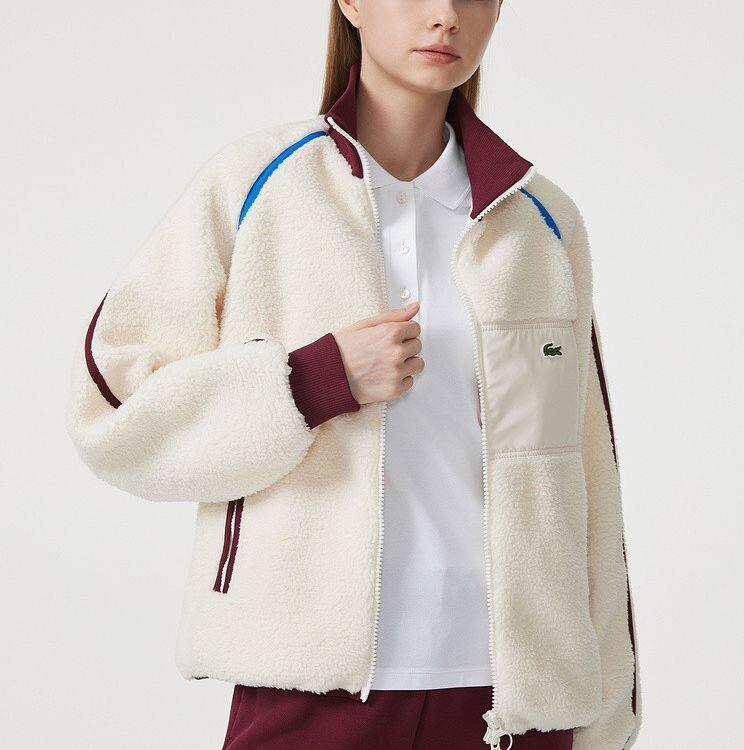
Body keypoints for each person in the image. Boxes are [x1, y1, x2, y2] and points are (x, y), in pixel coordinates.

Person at [65, 0, 641, 748]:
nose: (445, 15)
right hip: (311, 689)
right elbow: (113, 407)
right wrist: (312, 382)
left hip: (514, 700)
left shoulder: (538, 223)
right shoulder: (257, 186)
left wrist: (604, 712)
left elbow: (587, 475)